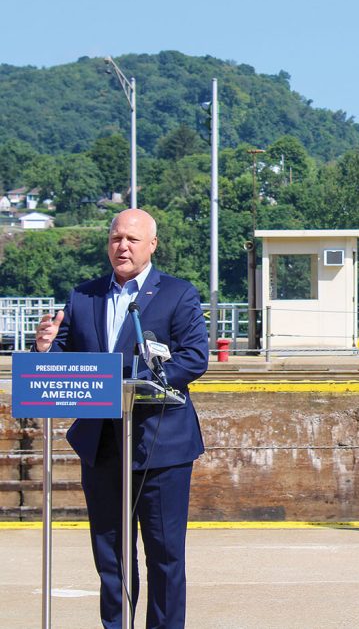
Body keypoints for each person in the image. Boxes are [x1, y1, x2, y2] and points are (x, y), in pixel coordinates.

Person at [34, 208, 208, 629]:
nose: (122, 246)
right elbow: (64, 357)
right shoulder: (83, 296)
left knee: (165, 557)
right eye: (115, 239)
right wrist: (44, 349)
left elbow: (194, 357)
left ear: (152, 245)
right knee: (111, 557)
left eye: (132, 239)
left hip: (160, 446)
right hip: (103, 446)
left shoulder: (178, 294)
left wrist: (136, 378)